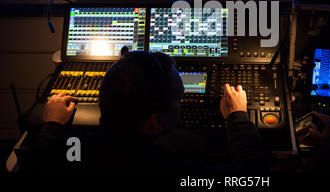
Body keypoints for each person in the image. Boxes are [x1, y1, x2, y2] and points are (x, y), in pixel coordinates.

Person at [16, 51, 269, 172]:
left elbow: (39, 162)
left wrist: (52, 126)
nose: (178, 106)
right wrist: (238, 117)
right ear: (155, 121)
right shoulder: (170, 169)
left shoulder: (77, 149)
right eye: (176, 102)